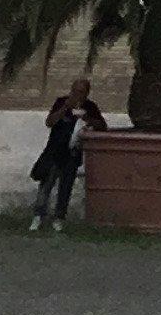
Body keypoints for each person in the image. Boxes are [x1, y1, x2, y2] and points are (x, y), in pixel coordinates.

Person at [30, 76, 107, 231]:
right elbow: (49, 122)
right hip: (54, 151)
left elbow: (102, 126)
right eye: (76, 91)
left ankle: (59, 218)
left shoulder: (90, 107)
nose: (78, 95)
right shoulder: (61, 102)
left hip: (72, 154)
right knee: (46, 184)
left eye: (82, 92)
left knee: (66, 187)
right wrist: (65, 108)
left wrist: (87, 118)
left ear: (87, 93)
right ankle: (38, 216)